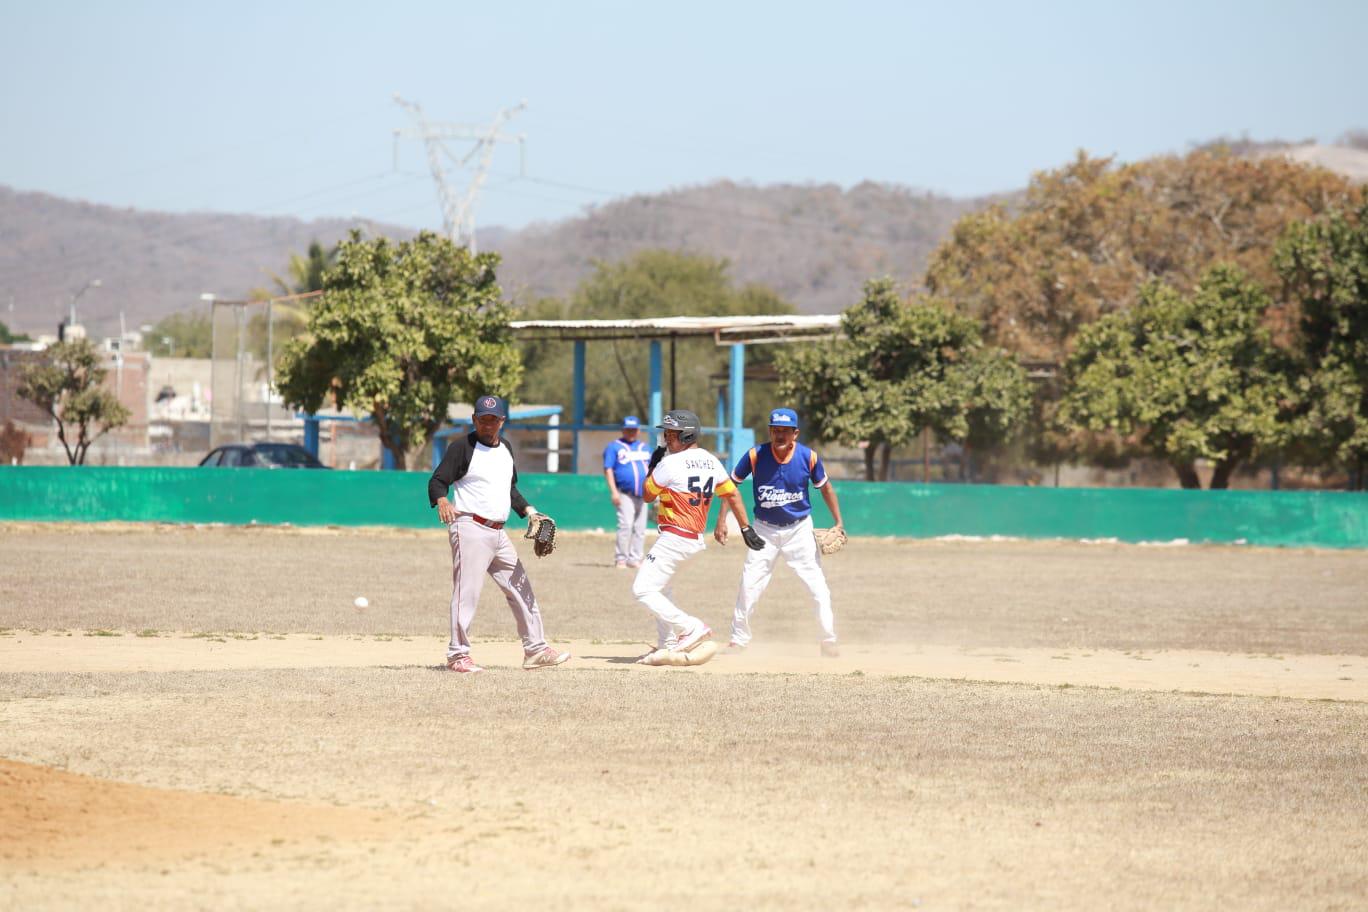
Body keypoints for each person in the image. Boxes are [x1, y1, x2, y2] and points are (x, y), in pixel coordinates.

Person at [427, 395, 571, 674]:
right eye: (483, 419)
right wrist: (442, 500)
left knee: (520, 588)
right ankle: (458, 655)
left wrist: (530, 512)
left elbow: (510, 490)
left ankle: (536, 650)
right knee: (466, 593)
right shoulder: (462, 448)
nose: (488, 424)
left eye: (493, 419)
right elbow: (438, 480)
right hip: (469, 526)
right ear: (474, 420)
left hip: (497, 532)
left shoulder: (505, 448)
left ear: (502, 421)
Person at [633, 409, 765, 662]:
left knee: (642, 589)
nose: (666, 439)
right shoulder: (711, 460)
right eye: (666, 433)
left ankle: (691, 627)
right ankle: (667, 643)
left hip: (675, 538)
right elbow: (732, 493)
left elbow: (648, 495)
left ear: (687, 435)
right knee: (663, 589)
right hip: (693, 540)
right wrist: (745, 527)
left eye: (672, 434)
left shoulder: (669, 463)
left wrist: (654, 464)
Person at [715, 407, 845, 657]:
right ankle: (738, 640)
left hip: (799, 529)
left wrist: (838, 521)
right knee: (748, 584)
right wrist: (721, 520)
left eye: (785, 431)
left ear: (795, 433)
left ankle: (828, 639)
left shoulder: (809, 457)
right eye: (776, 430)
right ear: (770, 431)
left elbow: (825, 488)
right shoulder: (755, 455)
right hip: (764, 530)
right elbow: (730, 486)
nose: (780, 435)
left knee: (818, 586)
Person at [602, 415, 651, 568]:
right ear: (623, 430)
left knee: (640, 529)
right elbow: (608, 469)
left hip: (643, 495)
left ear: (638, 430)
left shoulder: (645, 448)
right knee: (626, 526)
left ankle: (635, 559)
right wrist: (614, 492)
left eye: (634, 429)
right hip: (625, 493)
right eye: (628, 429)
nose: (631, 432)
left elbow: (653, 470)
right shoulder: (614, 447)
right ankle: (621, 558)